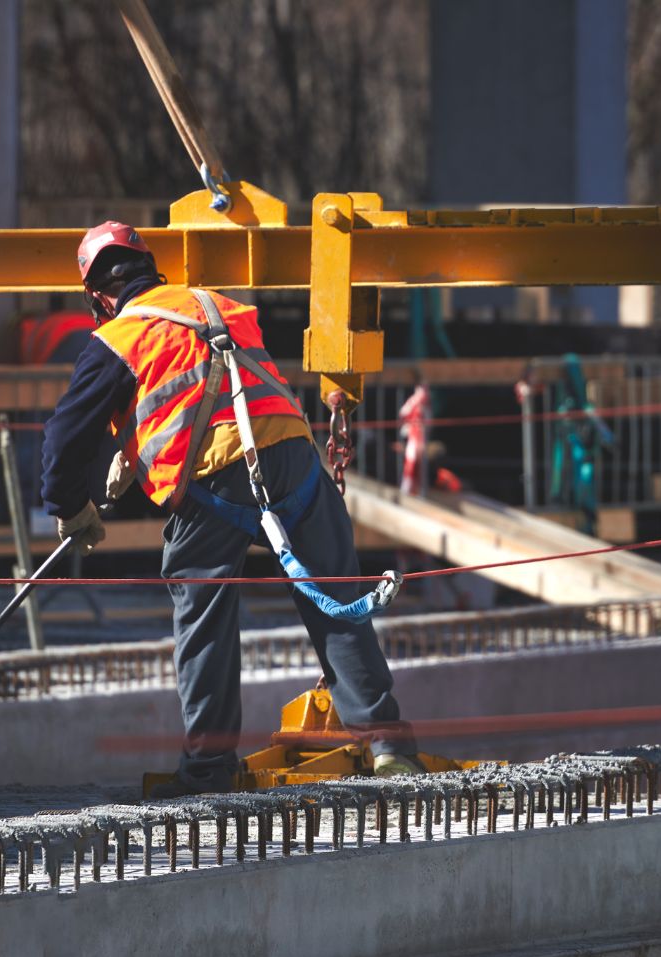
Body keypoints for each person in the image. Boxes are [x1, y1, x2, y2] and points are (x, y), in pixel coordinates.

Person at [40, 221, 423, 796]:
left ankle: (208, 771)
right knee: (338, 597)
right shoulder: (218, 305)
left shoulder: (116, 338)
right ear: (149, 268)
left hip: (215, 478)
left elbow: (65, 438)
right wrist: (132, 444)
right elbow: (208, 381)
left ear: (97, 295)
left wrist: (71, 506)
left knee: (204, 620)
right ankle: (391, 748)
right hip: (294, 456)